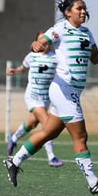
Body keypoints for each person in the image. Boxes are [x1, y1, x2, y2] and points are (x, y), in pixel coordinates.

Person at [3, 0, 98, 195]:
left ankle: (14, 160)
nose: (83, 12)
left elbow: (94, 59)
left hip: (70, 92)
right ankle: (93, 182)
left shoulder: (87, 33)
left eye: (84, 9)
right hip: (64, 90)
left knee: (49, 133)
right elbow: (41, 42)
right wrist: (35, 45)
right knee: (81, 136)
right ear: (68, 12)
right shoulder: (60, 29)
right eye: (79, 8)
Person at [5, 31, 63, 167]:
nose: (43, 43)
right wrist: (15, 70)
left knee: (32, 124)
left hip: (46, 97)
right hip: (33, 95)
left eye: (45, 40)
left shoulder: (55, 57)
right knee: (48, 124)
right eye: (40, 40)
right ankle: (51, 157)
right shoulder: (31, 56)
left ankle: (13, 138)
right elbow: (23, 68)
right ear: (36, 42)